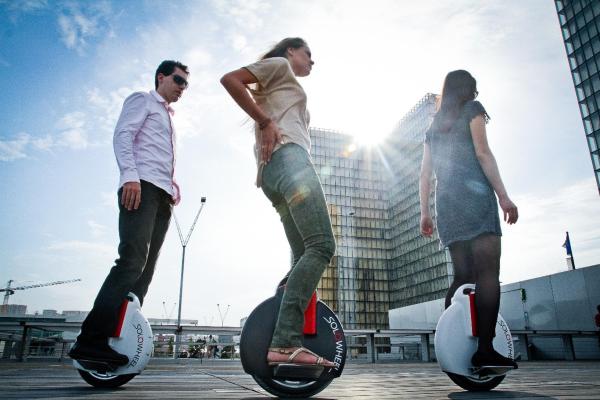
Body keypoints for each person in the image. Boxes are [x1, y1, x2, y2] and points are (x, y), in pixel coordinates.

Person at [220, 38, 335, 367]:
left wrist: (267, 121)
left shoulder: (281, 84)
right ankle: (285, 342)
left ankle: (279, 325)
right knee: (322, 246)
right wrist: (265, 121)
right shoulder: (279, 65)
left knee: (303, 255)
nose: (312, 61)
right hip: (290, 162)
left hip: (273, 174)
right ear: (290, 51)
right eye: (308, 53)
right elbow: (230, 79)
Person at [69, 60, 190, 365]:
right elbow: (123, 135)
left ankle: (119, 337)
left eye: (186, 84)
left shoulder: (168, 117)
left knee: (145, 271)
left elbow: (157, 154)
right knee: (131, 261)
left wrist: (173, 187)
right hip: (141, 187)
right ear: (161, 77)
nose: (182, 88)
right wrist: (129, 177)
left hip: (162, 195)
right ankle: (90, 341)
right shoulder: (143, 100)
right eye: (178, 80)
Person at [419, 70, 518, 369]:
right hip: (475, 199)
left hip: (447, 204)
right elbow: (483, 153)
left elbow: (425, 175)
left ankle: (450, 340)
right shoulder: (472, 109)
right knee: (487, 274)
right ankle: (484, 350)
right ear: (468, 89)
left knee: (462, 276)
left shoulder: (433, 128)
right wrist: (504, 196)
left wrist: (425, 212)